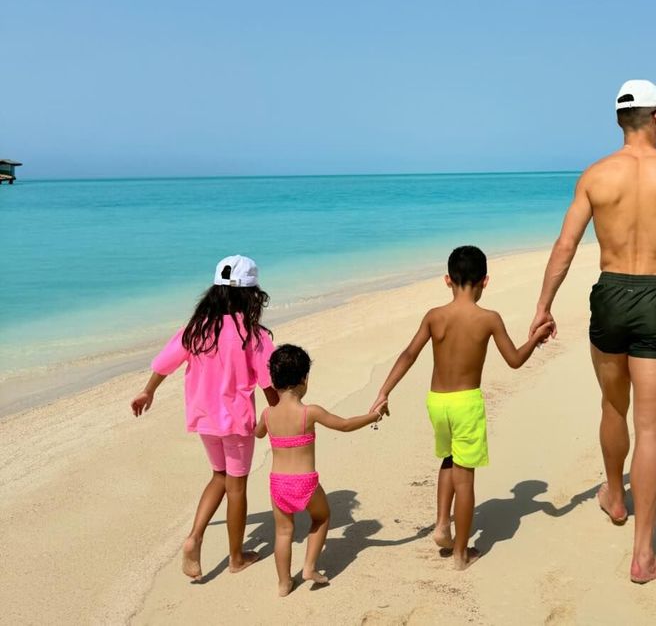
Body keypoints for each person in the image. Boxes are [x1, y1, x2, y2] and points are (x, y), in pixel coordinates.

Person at [528, 79, 656, 584]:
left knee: (613, 406)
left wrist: (543, 307)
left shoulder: (596, 176)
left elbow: (565, 246)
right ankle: (644, 555)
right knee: (651, 430)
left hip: (610, 293)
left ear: (620, 120)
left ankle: (614, 496)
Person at [372, 245, 554, 570]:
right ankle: (460, 553)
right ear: (485, 281)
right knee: (465, 477)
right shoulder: (488, 319)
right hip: (466, 403)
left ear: (446, 280)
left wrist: (384, 391)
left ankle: (442, 524)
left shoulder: (434, 316)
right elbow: (514, 361)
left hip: (437, 402)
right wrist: (535, 339)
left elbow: (408, 354)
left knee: (448, 458)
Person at [130, 255, 278, 580]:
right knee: (237, 486)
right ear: (251, 295)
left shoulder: (197, 328)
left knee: (218, 476)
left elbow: (164, 363)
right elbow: (269, 383)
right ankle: (236, 558)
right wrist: (279, 414)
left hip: (204, 418)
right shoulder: (252, 335)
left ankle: (194, 537)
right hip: (237, 421)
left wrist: (148, 391)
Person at [255, 344, 385, 596]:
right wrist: (373, 416)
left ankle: (283, 583)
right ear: (304, 379)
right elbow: (345, 425)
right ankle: (309, 568)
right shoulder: (309, 412)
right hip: (305, 482)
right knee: (322, 517)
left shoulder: (268, 414)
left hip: (278, 483)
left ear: (273, 380)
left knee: (283, 531)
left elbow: (257, 432)